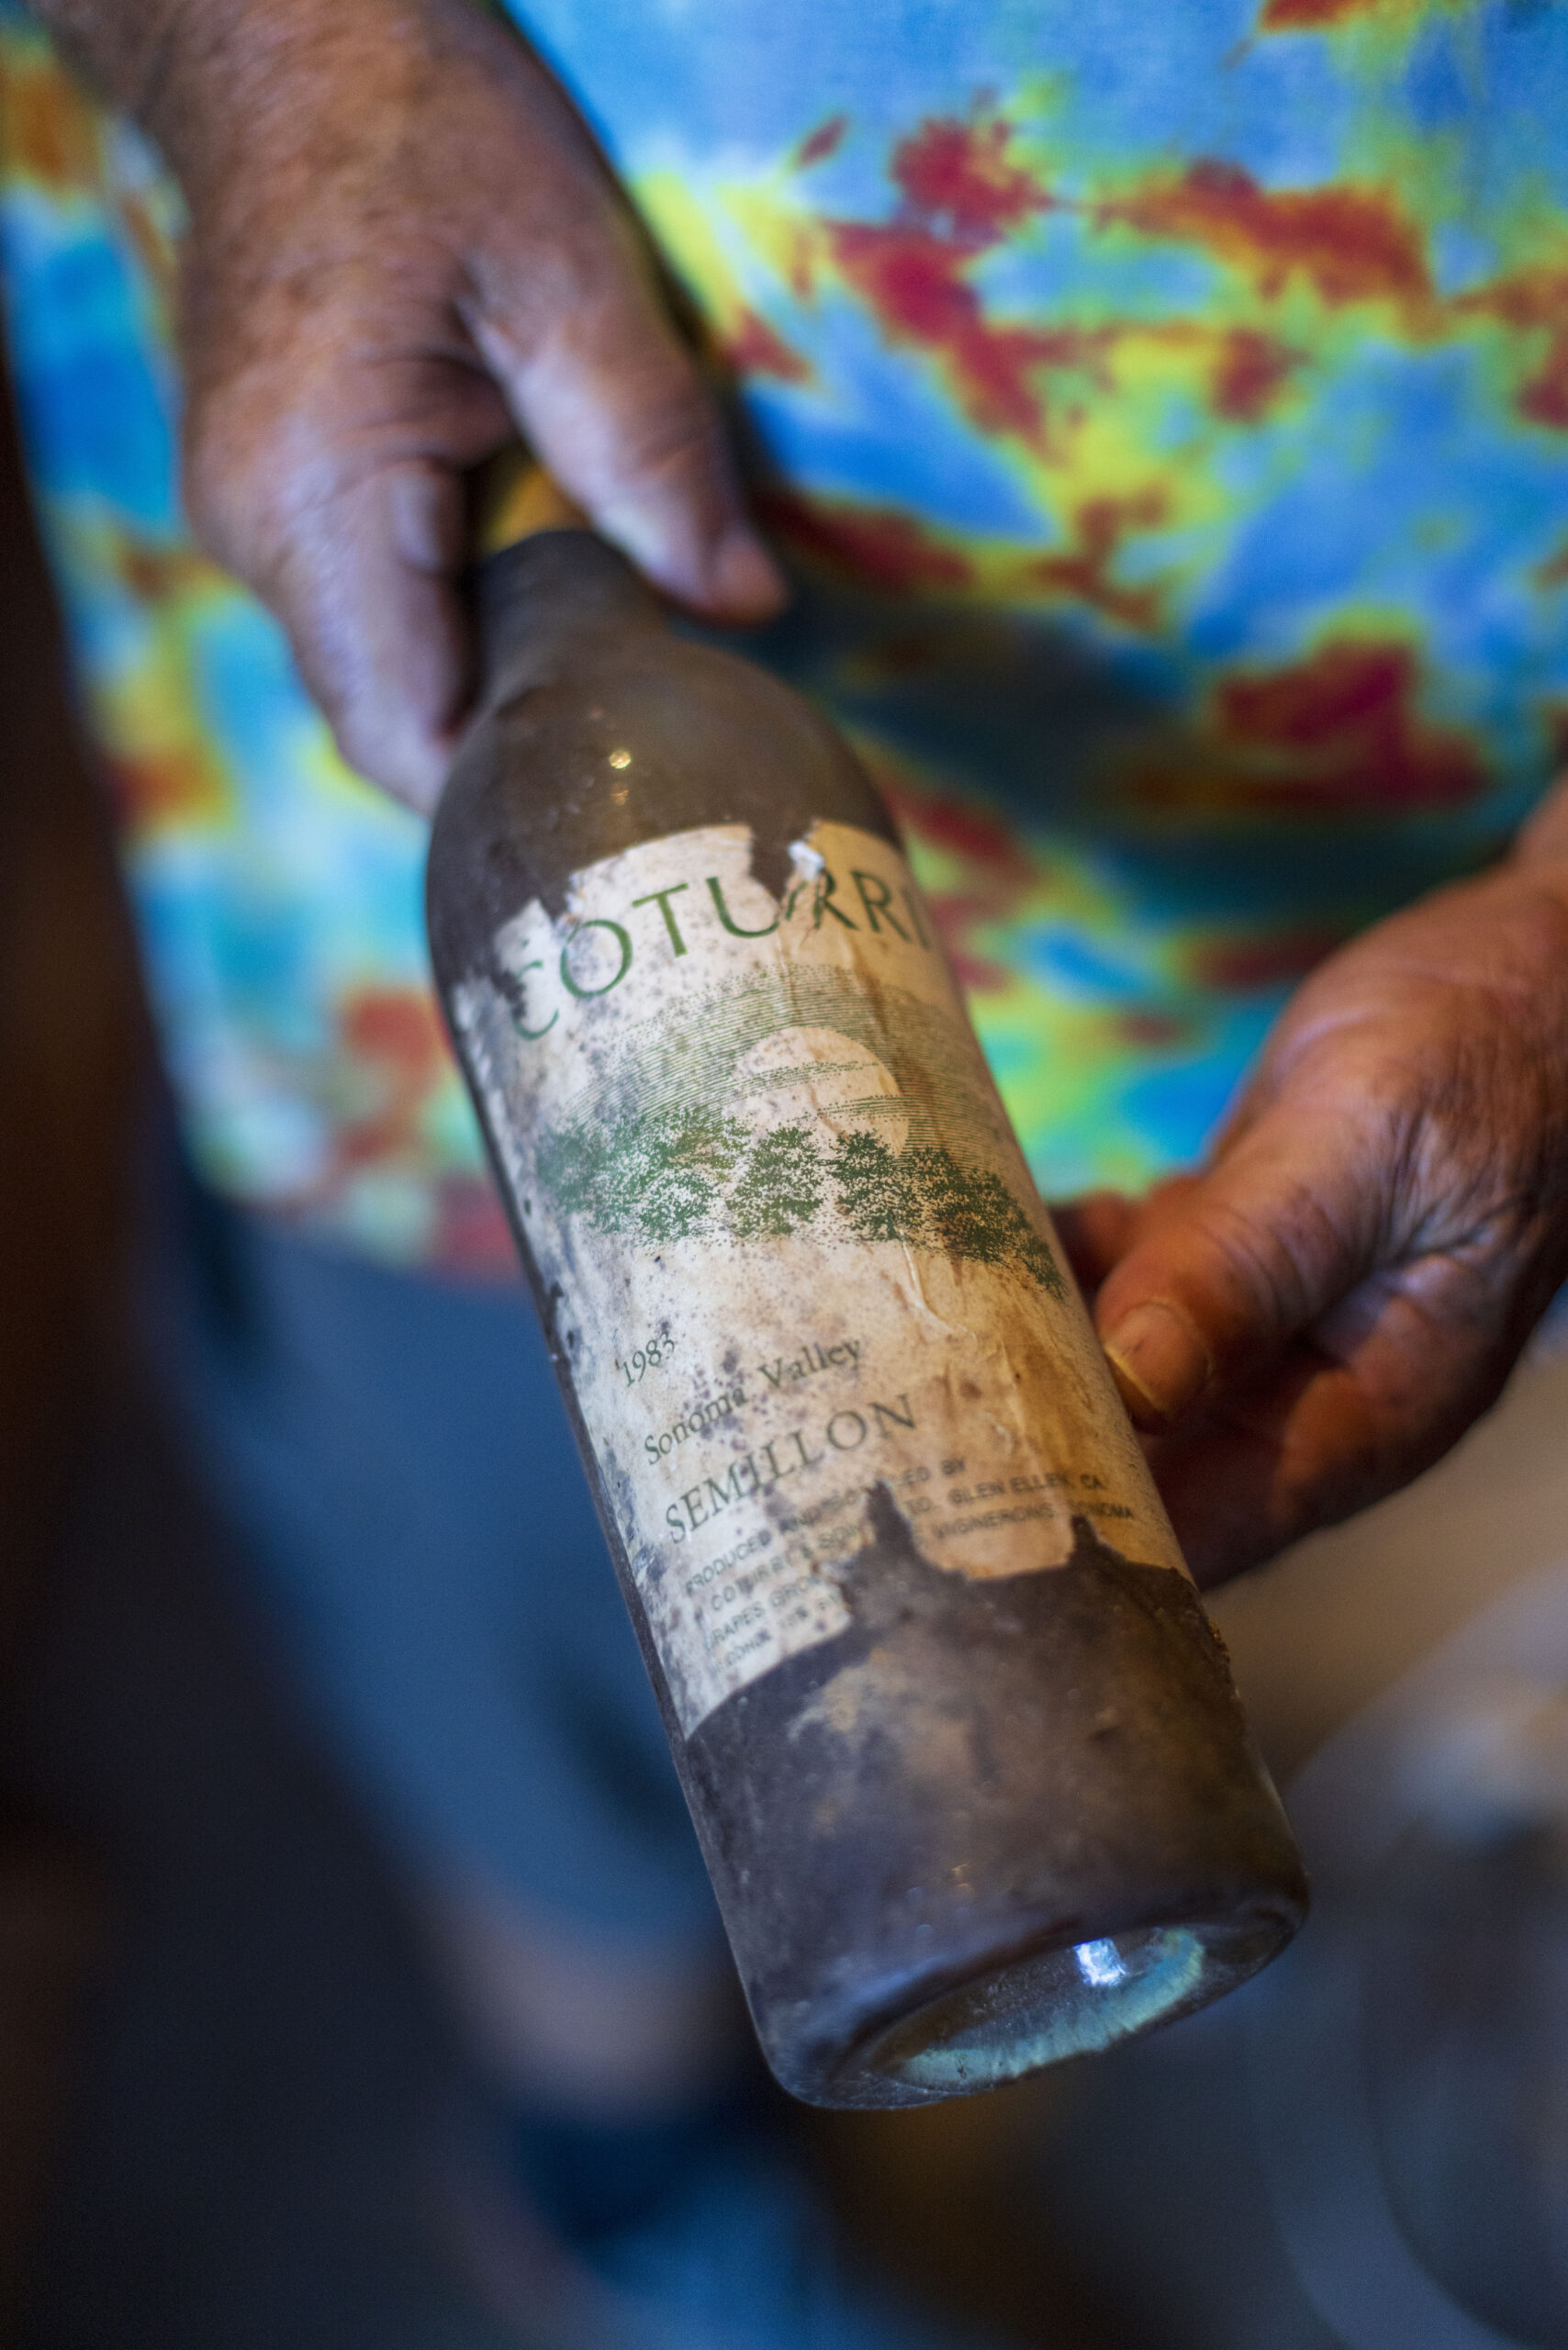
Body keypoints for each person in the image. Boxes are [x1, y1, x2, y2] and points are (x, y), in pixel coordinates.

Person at [4, 0, 1568, 2323]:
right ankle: (634, 2189)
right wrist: (269, 63)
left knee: (1122, 1477)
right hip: (397, 391)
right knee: (548, 1593)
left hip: (1402, 636)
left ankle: (1071, 1838)